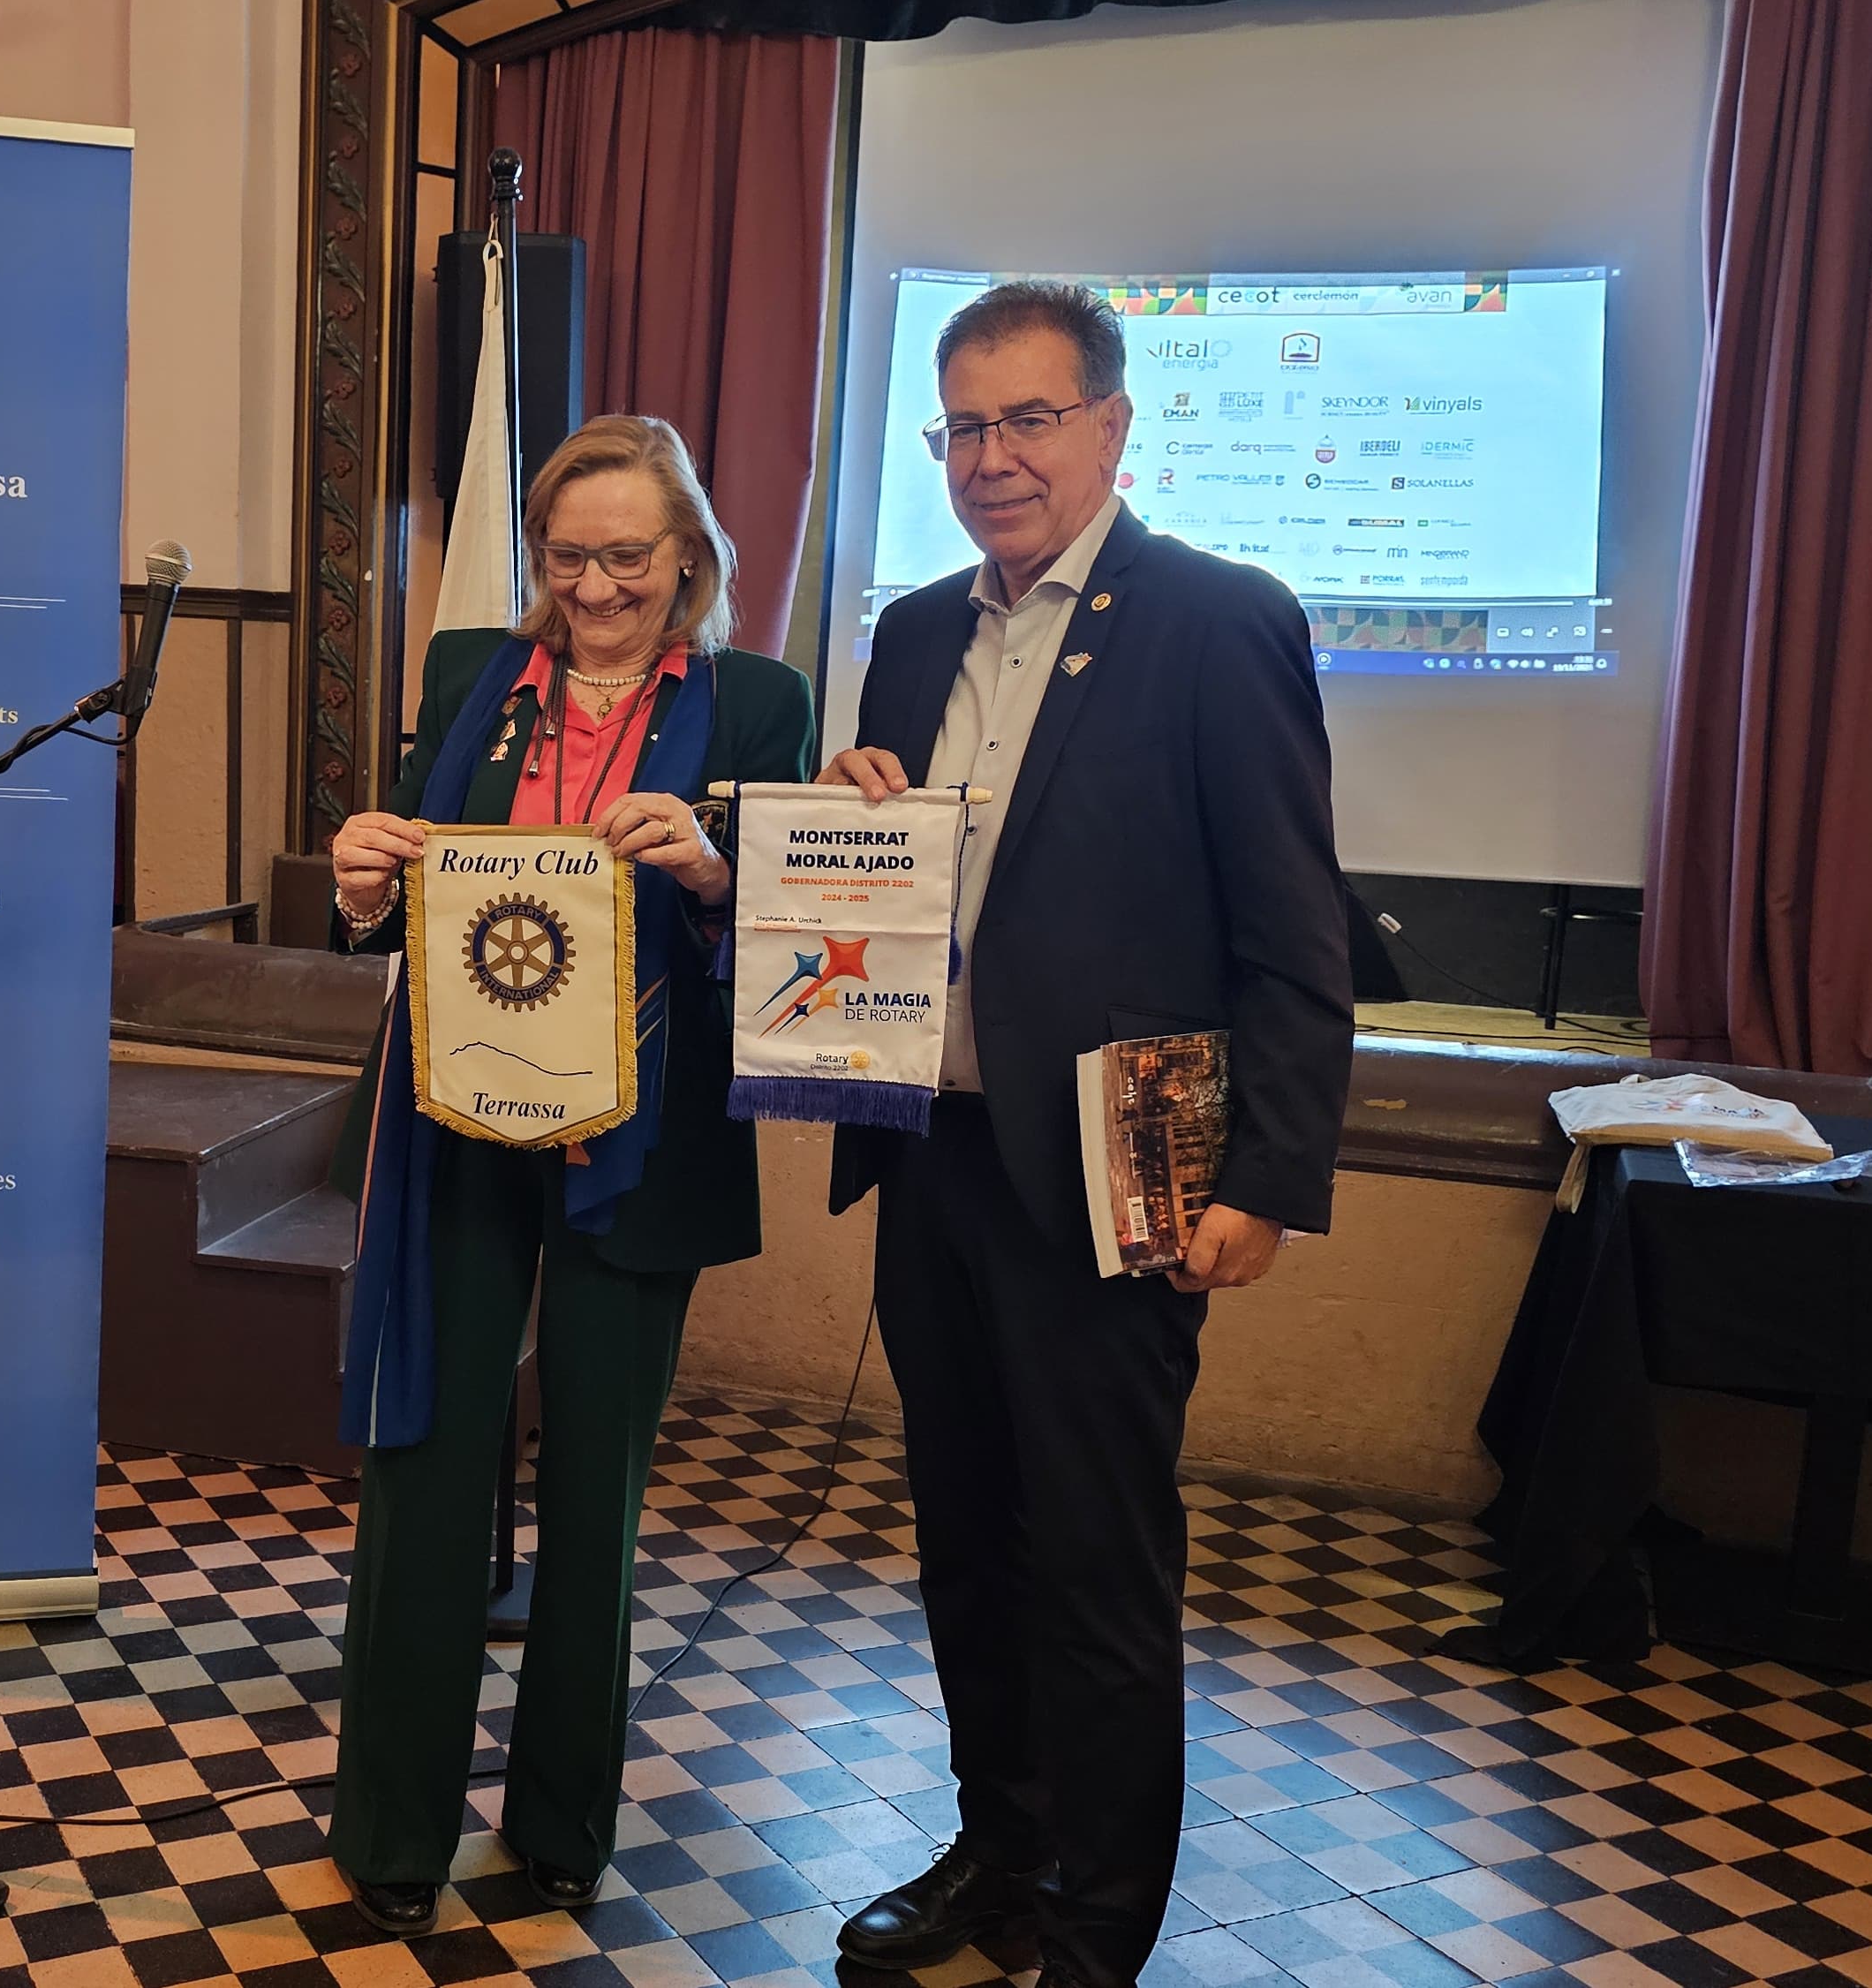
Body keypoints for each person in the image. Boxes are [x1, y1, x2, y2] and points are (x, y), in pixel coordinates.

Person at [819, 282, 1354, 1986]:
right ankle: (1002, 1843)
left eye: (1029, 420)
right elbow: (894, 894)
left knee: (1097, 1565)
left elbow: (1293, 930)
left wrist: (1267, 1176)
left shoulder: (1219, 619)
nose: (994, 458)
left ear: (1112, 427)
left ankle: (1100, 1926)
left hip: (1127, 1168)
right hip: (935, 1150)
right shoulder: (914, 632)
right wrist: (842, 833)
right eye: (964, 427)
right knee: (965, 1543)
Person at [322, 415, 814, 1936]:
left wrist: (716, 873)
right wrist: (361, 885)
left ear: (692, 558)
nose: (595, 588)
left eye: (628, 557)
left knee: (598, 1485)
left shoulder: (759, 703)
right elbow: (406, 878)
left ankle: (561, 1822)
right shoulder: (472, 675)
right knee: (425, 1466)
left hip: (643, 1145)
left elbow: (792, 939)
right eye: (567, 555)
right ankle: (394, 1827)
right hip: (457, 1124)